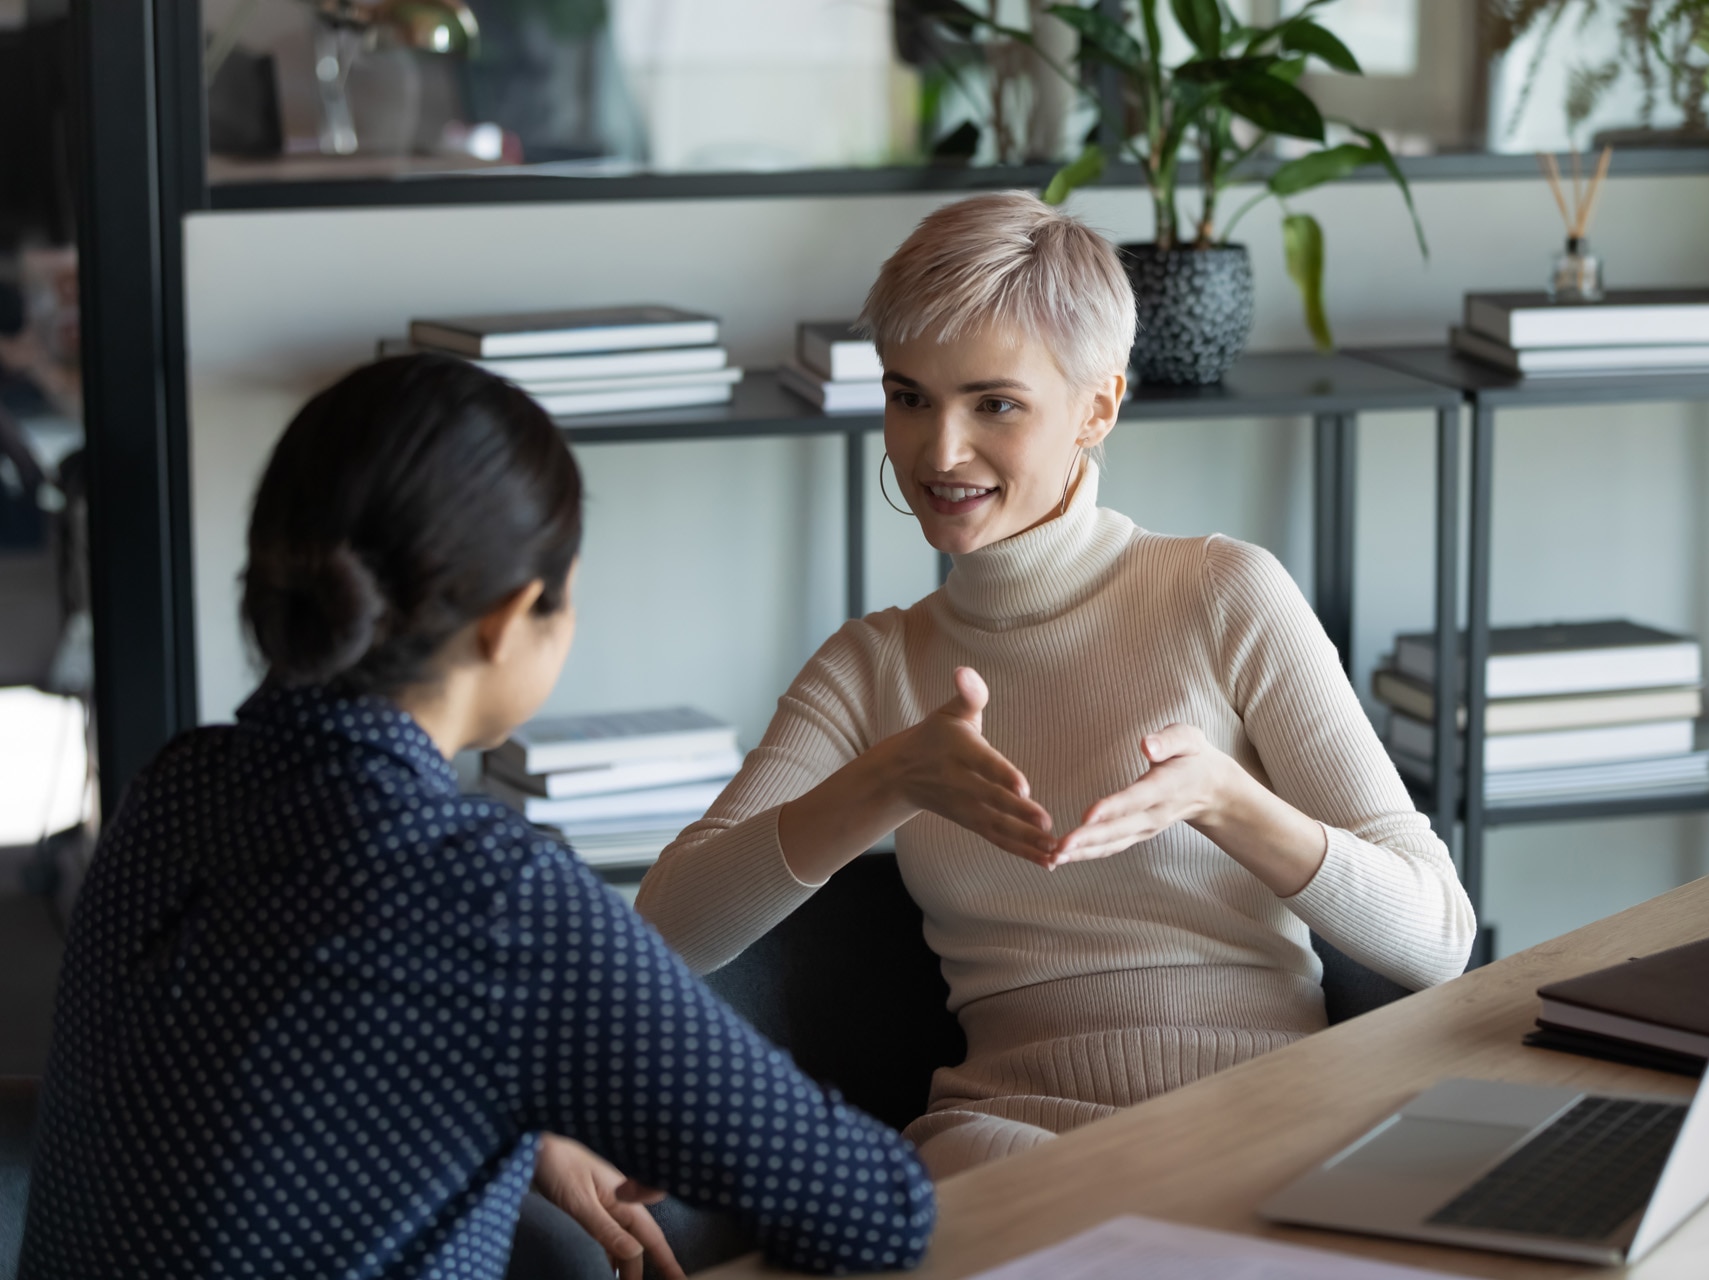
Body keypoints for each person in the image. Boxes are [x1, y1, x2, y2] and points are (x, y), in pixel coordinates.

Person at [19, 355, 934, 1279]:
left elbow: (252, 1095)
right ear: (511, 618)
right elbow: (874, 1210)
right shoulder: (493, 899)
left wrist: (517, 1115)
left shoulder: (176, 788)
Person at [636, 192, 1477, 1179]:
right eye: (909, 396)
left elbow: (1438, 938)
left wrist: (1229, 802)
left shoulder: (1222, 594)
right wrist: (888, 778)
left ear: (1098, 406)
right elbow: (660, 935)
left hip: (1269, 1126)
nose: (937, 451)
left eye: (994, 402)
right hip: (1006, 1147)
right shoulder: (875, 667)